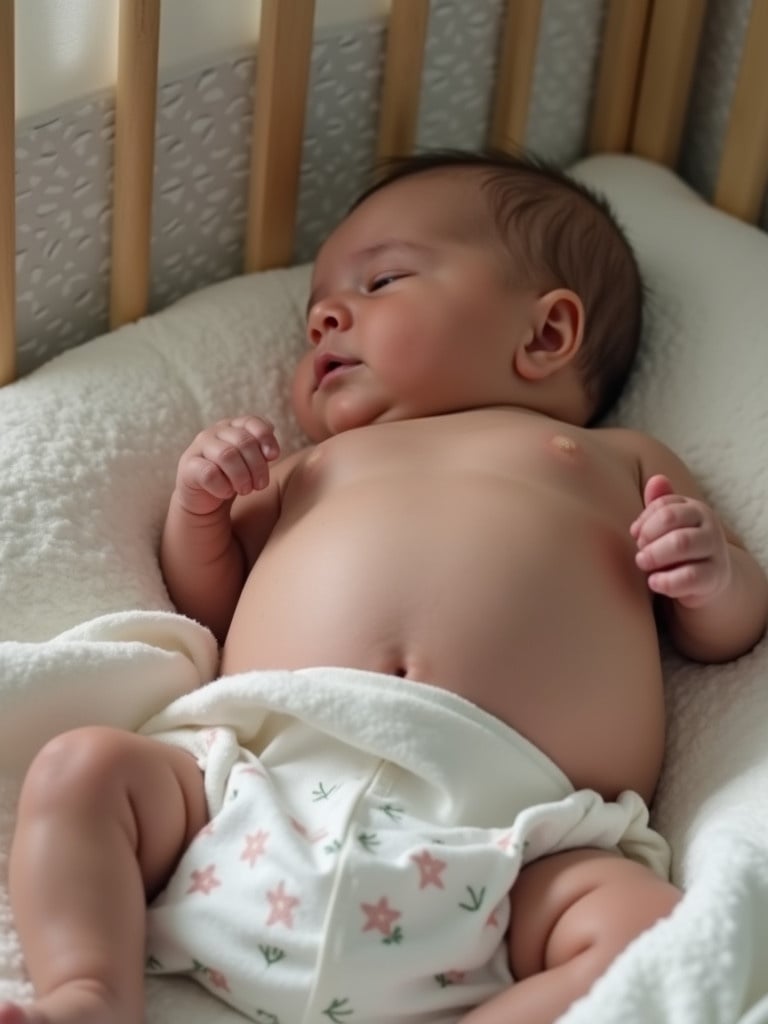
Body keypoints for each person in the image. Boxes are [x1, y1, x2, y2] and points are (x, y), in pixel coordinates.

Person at [3, 150, 767, 1024]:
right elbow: (211, 604)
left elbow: (725, 630)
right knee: (83, 768)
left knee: (648, 926)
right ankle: (88, 994)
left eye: (382, 280)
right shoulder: (312, 467)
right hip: (258, 789)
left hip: (511, 838)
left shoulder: (617, 462)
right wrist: (201, 511)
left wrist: (710, 572)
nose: (327, 316)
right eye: (313, 317)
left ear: (546, 335)